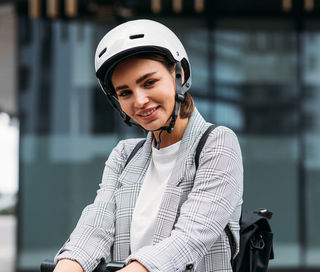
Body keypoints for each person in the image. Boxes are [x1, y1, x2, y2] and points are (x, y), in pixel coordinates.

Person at [53, 19, 243, 272]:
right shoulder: (124, 155)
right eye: (125, 93)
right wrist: (69, 264)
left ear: (179, 75)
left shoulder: (216, 143)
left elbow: (191, 237)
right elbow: (96, 224)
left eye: (149, 82)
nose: (140, 100)